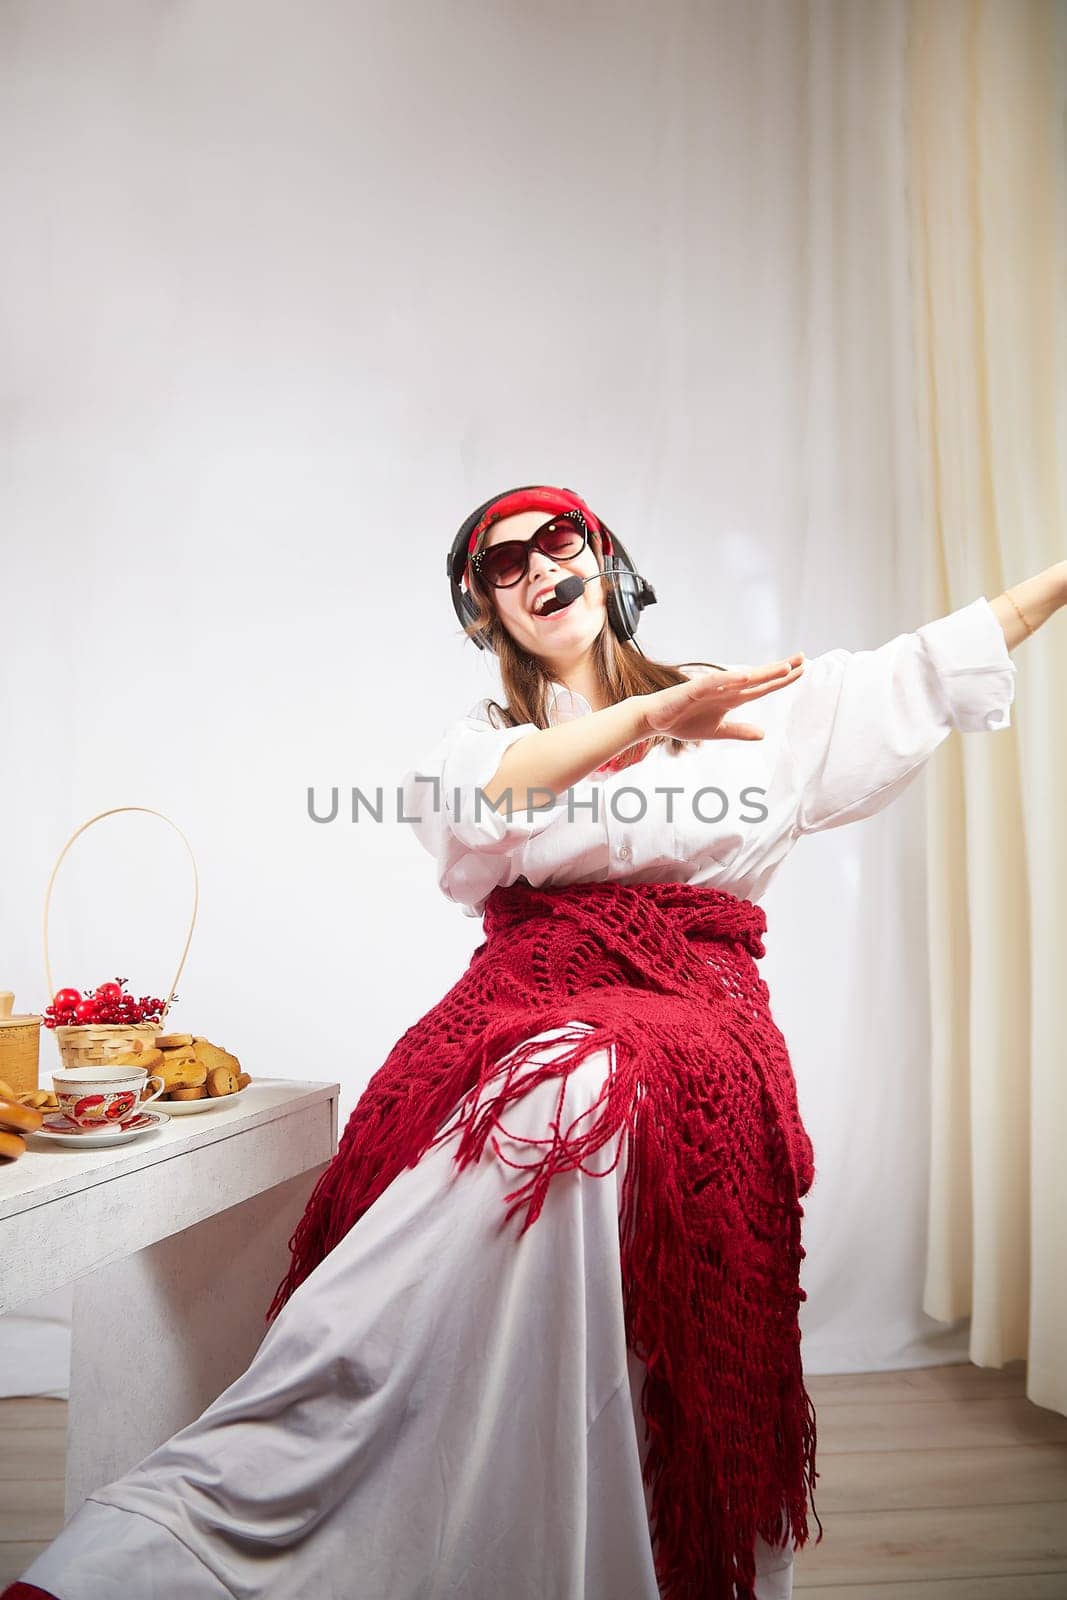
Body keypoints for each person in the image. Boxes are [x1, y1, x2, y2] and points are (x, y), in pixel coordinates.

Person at [6, 485, 1060, 1600]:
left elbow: (935, 659)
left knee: (597, 1087)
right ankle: (263, 1492)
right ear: (488, 615)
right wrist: (652, 721)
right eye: (501, 566)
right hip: (528, 1004)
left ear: (606, 560)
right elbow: (482, 798)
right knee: (558, 1090)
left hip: (696, 1014)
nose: (535, 566)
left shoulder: (761, 708)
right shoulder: (488, 741)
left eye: (555, 539)